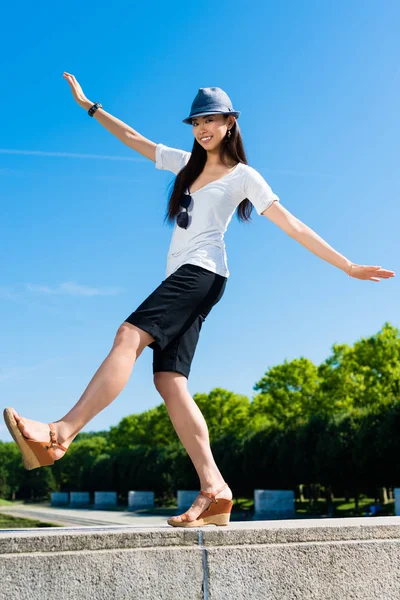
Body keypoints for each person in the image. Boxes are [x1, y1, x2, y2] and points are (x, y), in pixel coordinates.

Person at [3, 76, 395, 529]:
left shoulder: (243, 176)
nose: (203, 128)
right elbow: (135, 140)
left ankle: (59, 434)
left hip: (202, 274)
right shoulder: (186, 165)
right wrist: (91, 107)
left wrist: (349, 267)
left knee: (128, 335)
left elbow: (294, 225)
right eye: (197, 122)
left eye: (212, 120)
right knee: (170, 382)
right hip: (189, 279)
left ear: (230, 123)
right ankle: (215, 491)